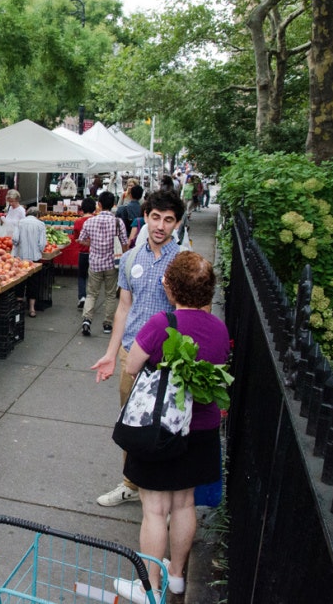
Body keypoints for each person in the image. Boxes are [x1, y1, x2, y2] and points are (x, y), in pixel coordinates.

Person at [113, 252, 229, 602]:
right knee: (184, 504)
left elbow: (132, 366)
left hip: (161, 429)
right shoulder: (219, 328)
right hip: (202, 429)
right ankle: (177, 577)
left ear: (170, 287)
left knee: (155, 509)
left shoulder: (162, 323)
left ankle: (149, 586)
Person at [90, 190, 185, 506]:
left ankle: (162, 492)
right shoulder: (130, 258)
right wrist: (110, 353)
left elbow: (194, 313)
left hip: (168, 361)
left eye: (168, 220)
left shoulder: (183, 261)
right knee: (131, 423)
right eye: (155, 217)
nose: (160, 226)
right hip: (131, 355)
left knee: (166, 426)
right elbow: (123, 308)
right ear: (145, 217)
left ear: (177, 223)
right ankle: (131, 483)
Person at [78, 191, 128, 337]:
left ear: (98, 205)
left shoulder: (89, 222)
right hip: (112, 264)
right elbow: (124, 243)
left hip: (94, 263)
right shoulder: (118, 222)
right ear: (113, 205)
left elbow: (81, 240)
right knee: (110, 295)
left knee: (92, 293)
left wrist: (92, 243)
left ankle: (87, 320)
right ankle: (107, 324)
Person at [12, 207, 48, 317]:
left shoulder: (20, 222)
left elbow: (15, 239)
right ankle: (32, 309)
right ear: (37, 215)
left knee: (20, 281)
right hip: (34, 258)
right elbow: (42, 243)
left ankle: (19, 308)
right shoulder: (40, 224)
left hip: (20, 257)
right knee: (33, 283)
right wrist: (39, 250)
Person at [73, 198, 97, 309]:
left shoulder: (78, 222)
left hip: (83, 252)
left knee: (82, 276)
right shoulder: (96, 220)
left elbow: (76, 237)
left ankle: (82, 297)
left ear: (82, 208)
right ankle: (91, 300)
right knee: (93, 277)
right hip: (94, 252)